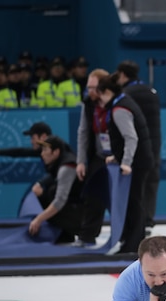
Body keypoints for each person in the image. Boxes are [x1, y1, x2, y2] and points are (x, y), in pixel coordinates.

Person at [96, 73, 153, 254]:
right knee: (132, 202)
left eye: (99, 96)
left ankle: (133, 244)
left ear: (106, 92)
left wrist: (126, 162)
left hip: (137, 162)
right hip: (138, 159)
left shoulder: (120, 109)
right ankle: (129, 240)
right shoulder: (123, 102)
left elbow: (131, 137)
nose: (98, 101)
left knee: (134, 203)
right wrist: (118, 156)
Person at [116, 60, 162, 235]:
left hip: (137, 145)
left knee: (136, 184)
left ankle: (136, 222)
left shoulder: (126, 94)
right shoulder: (152, 92)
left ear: (122, 75)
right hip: (155, 144)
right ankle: (148, 220)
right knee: (151, 182)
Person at [74, 68, 111, 248]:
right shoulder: (88, 103)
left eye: (93, 87)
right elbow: (83, 132)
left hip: (118, 156)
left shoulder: (116, 101)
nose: (90, 91)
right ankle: (87, 236)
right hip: (98, 155)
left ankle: (129, 236)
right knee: (93, 194)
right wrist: (81, 160)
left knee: (121, 198)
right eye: (88, 87)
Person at [29, 135, 84, 243]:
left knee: (50, 193)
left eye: (45, 150)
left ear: (56, 152)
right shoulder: (60, 163)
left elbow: (60, 201)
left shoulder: (66, 167)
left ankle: (72, 231)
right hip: (76, 207)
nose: (42, 154)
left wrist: (38, 219)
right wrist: (40, 184)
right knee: (47, 192)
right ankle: (65, 234)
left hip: (83, 215)